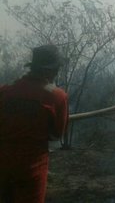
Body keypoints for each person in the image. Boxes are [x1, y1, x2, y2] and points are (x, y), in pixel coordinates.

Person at [0, 45, 69, 203]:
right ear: (48, 70)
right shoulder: (57, 97)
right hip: (32, 167)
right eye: (56, 68)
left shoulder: (5, 92)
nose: (57, 72)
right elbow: (56, 134)